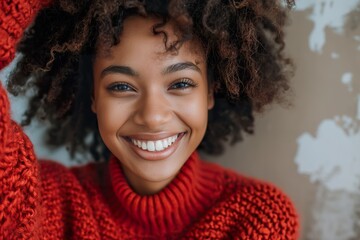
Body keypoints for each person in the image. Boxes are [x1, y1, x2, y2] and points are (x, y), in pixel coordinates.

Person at [0, 0, 299, 239]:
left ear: (211, 91)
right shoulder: (50, 202)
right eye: (121, 87)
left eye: (180, 84)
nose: (153, 117)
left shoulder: (257, 216)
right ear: (93, 97)